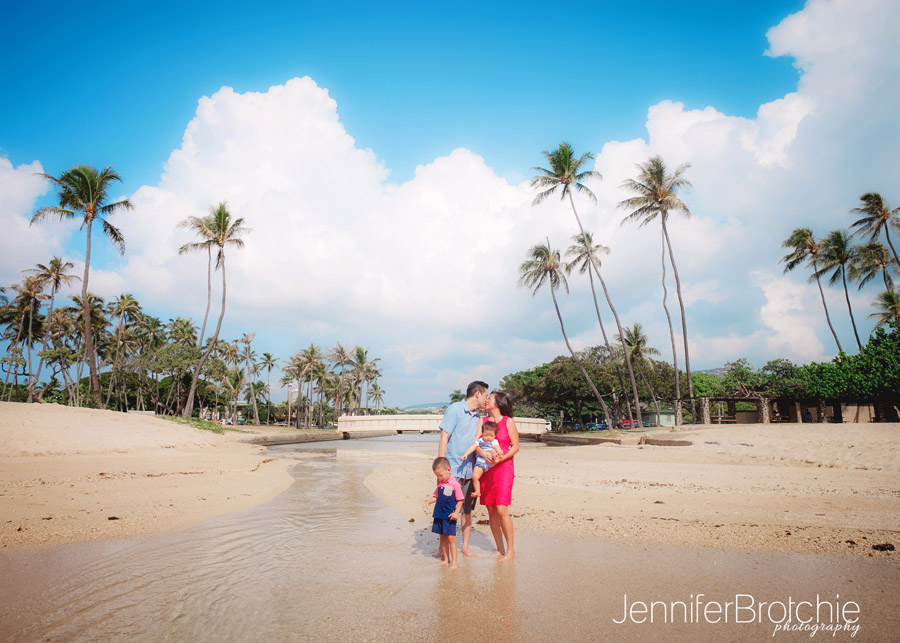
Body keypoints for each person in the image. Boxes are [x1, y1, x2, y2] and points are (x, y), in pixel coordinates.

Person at [438, 380, 489, 557]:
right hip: (453, 470)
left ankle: (465, 547)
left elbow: (477, 444)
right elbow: (444, 436)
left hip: (470, 471)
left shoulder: (477, 418)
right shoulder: (455, 409)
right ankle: (442, 550)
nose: (486, 399)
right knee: (447, 509)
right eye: (486, 395)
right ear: (477, 394)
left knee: (467, 511)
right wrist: (441, 466)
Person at [479, 390, 519, 562]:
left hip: (504, 469)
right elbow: (475, 444)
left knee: (502, 509)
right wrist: (482, 454)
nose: (487, 400)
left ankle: (510, 550)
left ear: (499, 402)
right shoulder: (482, 421)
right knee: (491, 509)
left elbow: (515, 446)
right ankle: (499, 548)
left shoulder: (508, 421)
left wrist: (502, 457)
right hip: (486, 469)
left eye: (490, 398)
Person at [422, 457, 464, 569]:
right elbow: (436, 496)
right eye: (437, 476)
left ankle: (454, 562)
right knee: (442, 538)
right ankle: (446, 559)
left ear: (448, 470)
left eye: (441, 475)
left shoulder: (455, 484)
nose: (440, 478)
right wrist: (428, 502)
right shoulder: (440, 484)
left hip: (449, 516)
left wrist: (456, 513)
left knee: (451, 539)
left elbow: (460, 500)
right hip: (439, 514)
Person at [461, 420, 500, 498]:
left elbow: (497, 447)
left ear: (495, 435)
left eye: (491, 436)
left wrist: (498, 452)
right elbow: (473, 447)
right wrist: (466, 454)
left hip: (491, 461)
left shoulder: (494, 442)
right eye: (486, 435)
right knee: (475, 477)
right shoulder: (480, 441)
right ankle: (477, 491)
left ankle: (495, 458)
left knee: (494, 452)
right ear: (482, 434)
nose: (488, 437)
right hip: (481, 463)